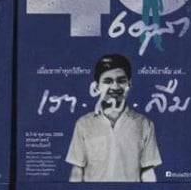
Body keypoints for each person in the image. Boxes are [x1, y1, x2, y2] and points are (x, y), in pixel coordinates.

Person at [65, 53, 162, 182]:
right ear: (97, 86)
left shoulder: (145, 124)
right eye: (108, 81)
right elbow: (77, 171)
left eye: (121, 80)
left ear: (130, 84)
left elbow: (147, 170)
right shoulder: (83, 124)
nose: (115, 87)